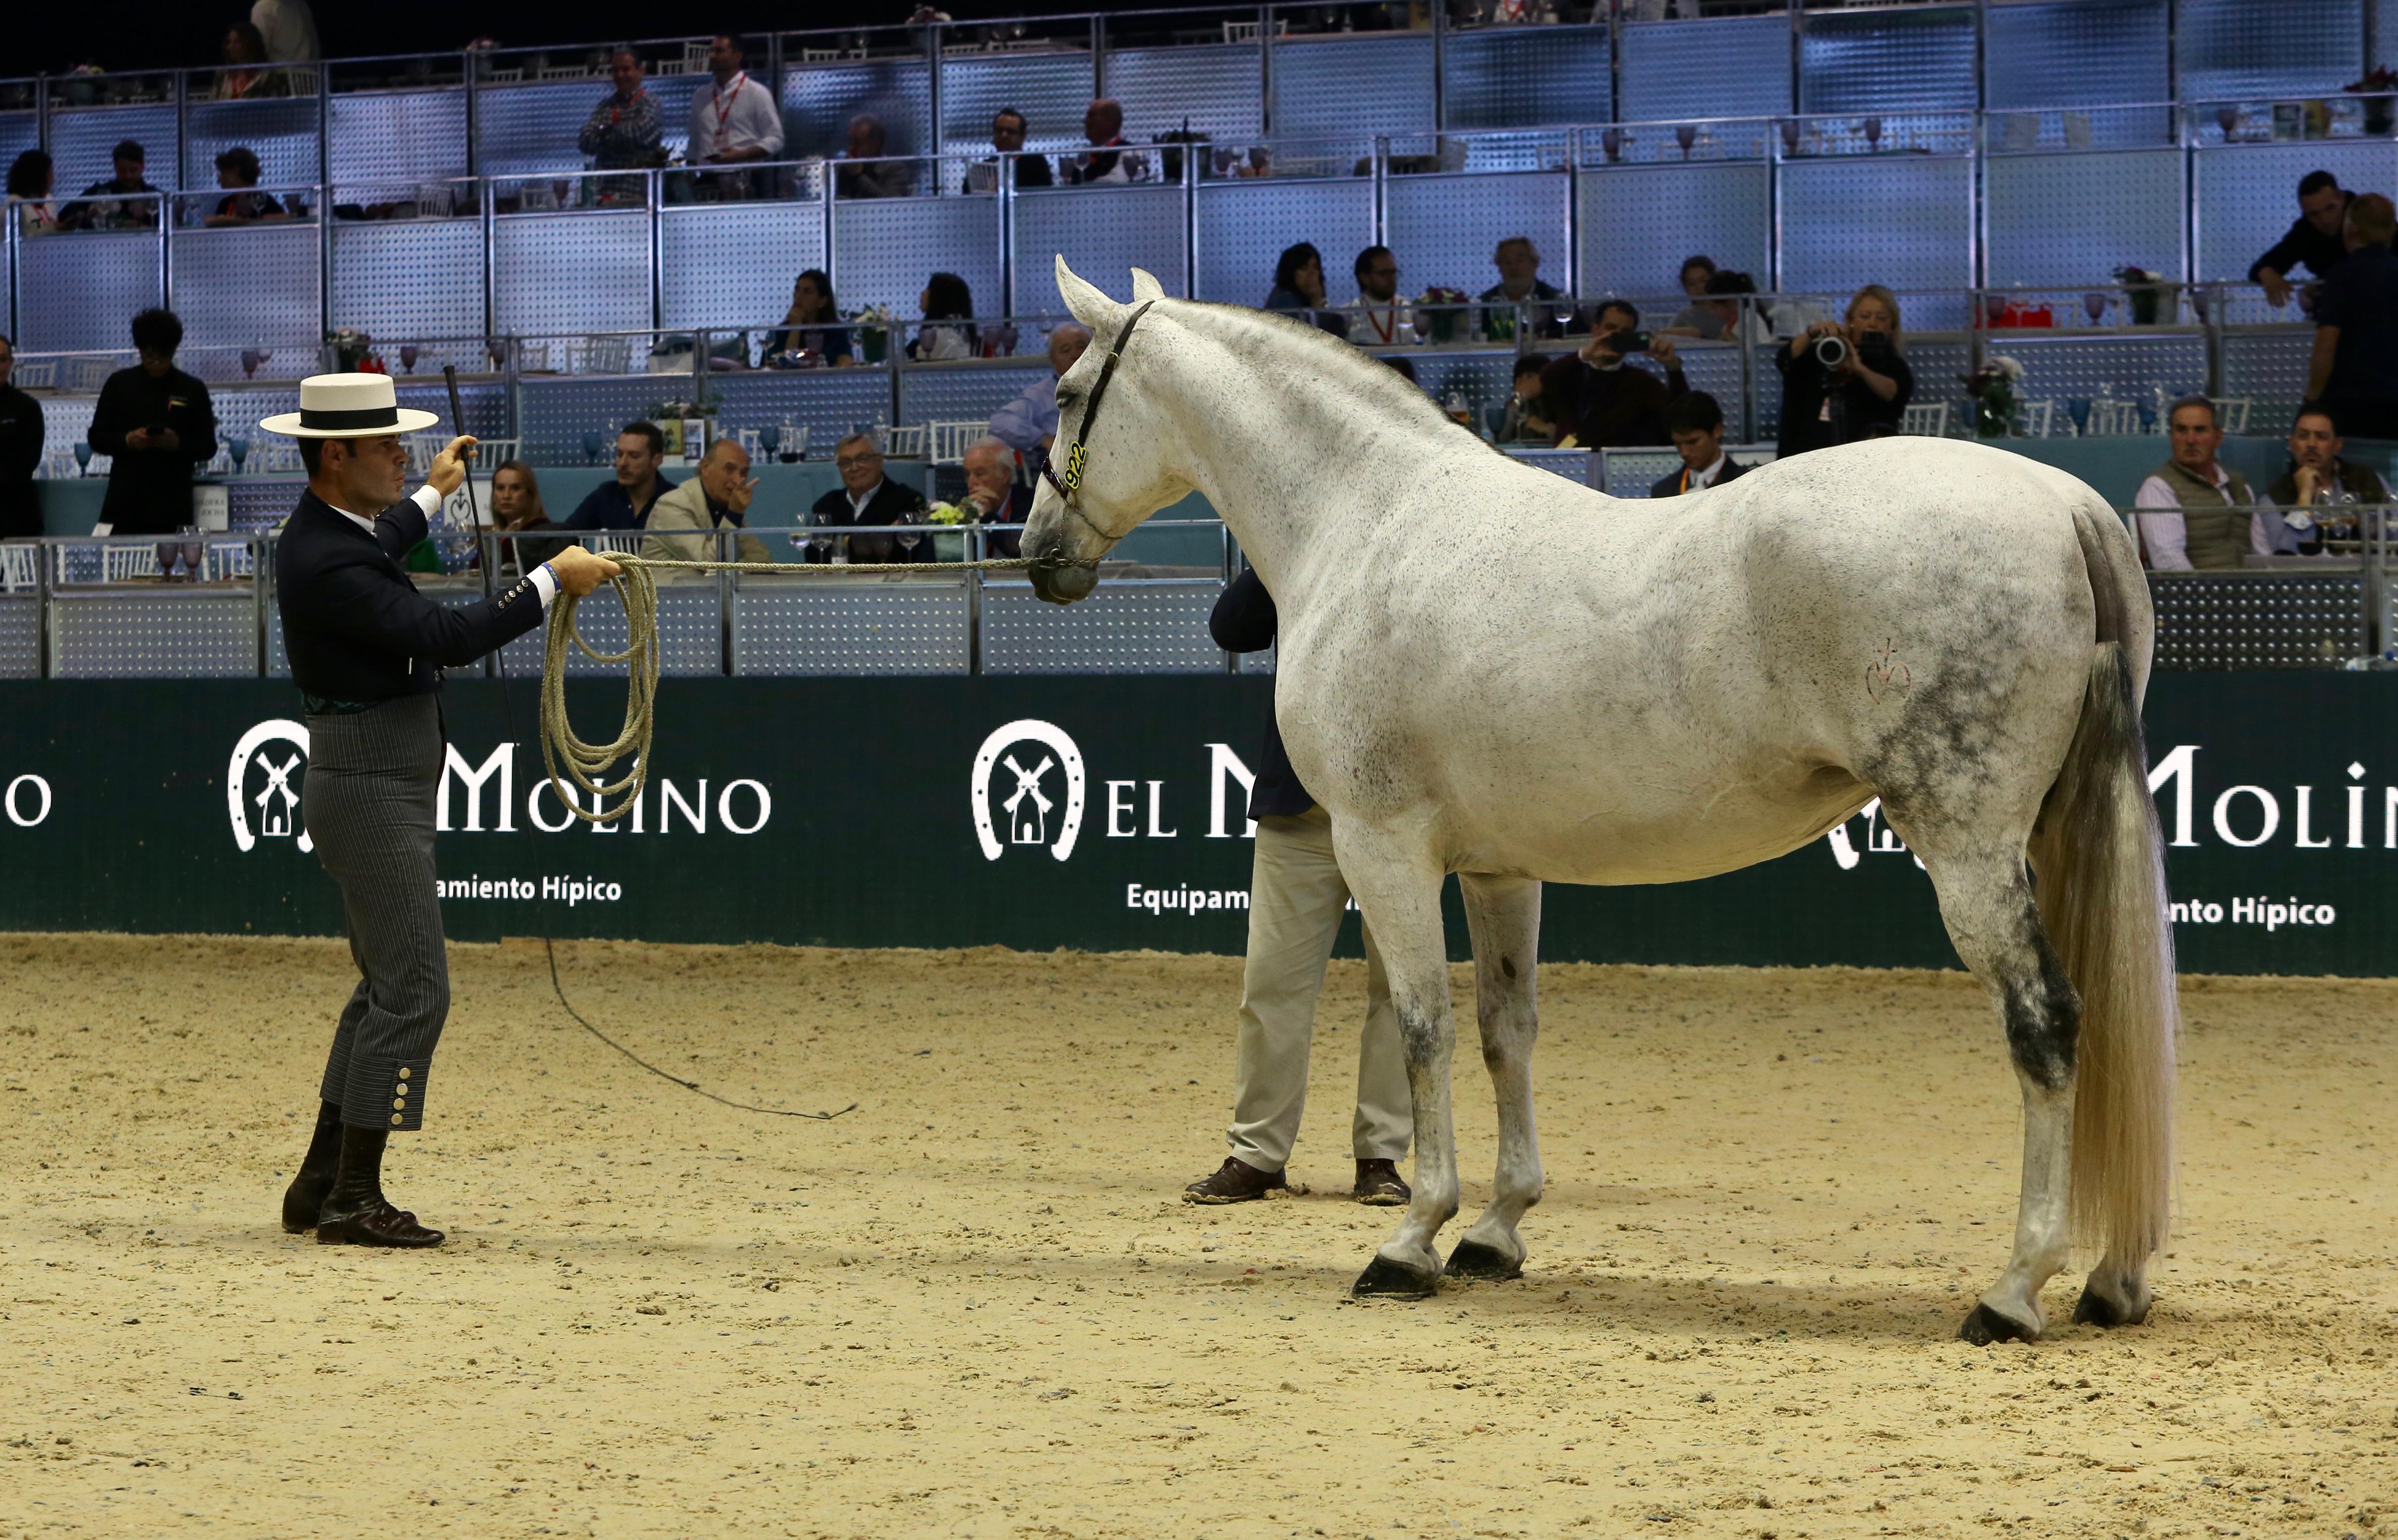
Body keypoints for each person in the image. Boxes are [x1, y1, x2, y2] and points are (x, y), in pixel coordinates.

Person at [261, 371, 618, 1249]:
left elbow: (380, 534)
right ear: (335, 455)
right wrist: (549, 581)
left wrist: (431, 491)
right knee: (416, 991)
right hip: (373, 783)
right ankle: (351, 1196)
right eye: (386, 444)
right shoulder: (327, 557)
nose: (399, 453)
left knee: (385, 985)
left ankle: (322, 1183)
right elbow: (447, 638)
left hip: (371, 775)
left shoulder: (327, 533)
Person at [1181, 564, 1411, 1208]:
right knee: (1271, 984)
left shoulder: (1417, 553)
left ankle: (1381, 1155)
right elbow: (1231, 626)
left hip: (1396, 809)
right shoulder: (1307, 550)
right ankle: (1257, 1154)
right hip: (1299, 801)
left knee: (1400, 987)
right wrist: (1280, 552)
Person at [88, 310, 217, 536]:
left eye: (163, 356)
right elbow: (97, 438)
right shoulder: (120, 385)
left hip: (174, 504)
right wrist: (128, 441)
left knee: (175, 570)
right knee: (123, 568)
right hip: (125, 503)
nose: (156, 363)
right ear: (139, 350)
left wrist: (177, 444)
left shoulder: (192, 389)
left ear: (175, 350)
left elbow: (208, 447)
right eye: (149, 356)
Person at [2132, 397, 2298, 570]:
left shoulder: (2238, 485)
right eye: (2182, 430)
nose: (2190, 440)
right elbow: (2170, 563)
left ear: (2217, 438)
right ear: (2172, 436)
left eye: (2200, 430)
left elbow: (2261, 553)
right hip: (2198, 593)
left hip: (2246, 591)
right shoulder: (2159, 487)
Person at [1773, 284, 1913, 458]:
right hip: (1807, 455)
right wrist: (1811, 333)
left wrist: (1859, 368)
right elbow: (1785, 360)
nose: (1872, 324)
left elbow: (1894, 393)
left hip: (1865, 460)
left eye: (1882, 318)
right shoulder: (1826, 352)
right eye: (1865, 316)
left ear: (1892, 327)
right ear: (1851, 320)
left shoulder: (1892, 365)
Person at [2304, 192, 2398, 441]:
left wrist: (2312, 399)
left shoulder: (2343, 276)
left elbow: (2327, 342)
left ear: (2352, 230)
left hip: (2350, 401)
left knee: (2350, 474)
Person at [1538, 299, 1687, 448]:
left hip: (1612, 463)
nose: (1616, 337)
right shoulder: (1571, 371)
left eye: (1625, 333)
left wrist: (1673, 367)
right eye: (1610, 328)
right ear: (1595, 330)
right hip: (1567, 459)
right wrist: (1586, 354)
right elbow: (1546, 377)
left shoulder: (1640, 382)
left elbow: (1680, 415)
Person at [640, 437, 769, 580]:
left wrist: (737, 569)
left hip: (707, 598)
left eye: (744, 473)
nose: (738, 480)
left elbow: (763, 559)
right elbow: (710, 565)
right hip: (663, 599)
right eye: (729, 469)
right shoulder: (671, 506)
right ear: (705, 467)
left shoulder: (726, 506)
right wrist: (734, 514)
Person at [807, 432, 930, 564]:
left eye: (862, 459)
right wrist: (878, 539)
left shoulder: (908, 500)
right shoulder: (826, 505)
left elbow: (901, 555)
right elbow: (815, 558)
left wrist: (842, 543)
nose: (854, 468)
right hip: (837, 584)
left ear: (880, 461)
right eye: (846, 463)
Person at [988, 321, 1091, 476]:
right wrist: (1043, 439)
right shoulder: (1040, 395)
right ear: (1054, 361)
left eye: (1081, 346)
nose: (1076, 354)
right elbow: (1001, 422)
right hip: (1064, 472)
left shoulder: (1117, 387)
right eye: (1065, 350)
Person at [2251, 170, 2353, 310]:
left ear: (2342, 199)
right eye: (2314, 214)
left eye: (2330, 208)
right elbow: (2266, 264)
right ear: (2304, 212)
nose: (2325, 220)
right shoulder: (2305, 232)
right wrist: (2265, 272)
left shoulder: (2368, 215)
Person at [688, 34, 783, 169]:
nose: (713, 56)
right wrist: (689, 169)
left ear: (737, 57)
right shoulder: (700, 95)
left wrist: (742, 155)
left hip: (745, 174)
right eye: (711, 51)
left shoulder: (757, 93)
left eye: (719, 51)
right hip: (708, 177)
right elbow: (694, 139)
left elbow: (776, 139)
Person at [2266, 405, 2389, 508]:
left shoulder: (2365, 479)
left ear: (2337, 445)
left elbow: (2392, 528)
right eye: (2303, 436)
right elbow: (2288, 538)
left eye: (2321, 437)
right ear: (2292, 444)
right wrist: (2305, 496)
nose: (2311, 444)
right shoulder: (2275, 496)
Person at [560, 422, 675, 531]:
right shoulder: (606, 495)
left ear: (657, 460)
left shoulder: (675, 501)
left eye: (634, 456)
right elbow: (566, 536)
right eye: (620, 454)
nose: (622, 463)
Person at [577, 47, 663, 182]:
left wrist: (603, 130)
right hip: (604, 192)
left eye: (626, 69)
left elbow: (637, 134)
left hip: (640, 192)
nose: (620, 75)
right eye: (616, 71)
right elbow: (585, 141)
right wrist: (621, 136)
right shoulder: (605, 105)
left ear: (640, 71)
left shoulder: (650, 103)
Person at [1651, 392, 1747, 496]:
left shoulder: (1747, 486)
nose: (1684, 453)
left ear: (1717, 431)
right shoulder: (1662, 492)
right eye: (1678, 443)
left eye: (1693, 442)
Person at [57, 140, 161, 232]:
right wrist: (85, 216)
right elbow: (64, 216)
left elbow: (170, 225)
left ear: (143, 167)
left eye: (133, 171)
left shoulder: (155, 197)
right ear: (115, 167)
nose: (128, 176)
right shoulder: (100, 193)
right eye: (122, 171)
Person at [1478, 234, 1567, 341]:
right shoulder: (1484, 302)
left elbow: (1574, 333)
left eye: (1520, 261)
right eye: (1507, 262)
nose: (1514, 267)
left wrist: (1541, 338)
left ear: (1535, 263)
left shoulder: (1555, 300)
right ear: (1499, 267)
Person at [490, 459, 571, 571]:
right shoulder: (491, 537)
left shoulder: (545, 535)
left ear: (530, 495)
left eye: (516, 488)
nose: (506, 495)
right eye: (500, 488)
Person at [0, 333, 43, 540]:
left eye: (3, 360)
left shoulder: (27, 408)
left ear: (11, 363)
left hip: (15, 513)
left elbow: (28, 461)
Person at [960, 434, 1028, 557]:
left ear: (1005, 474)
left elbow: (1021, 549)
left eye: (980, 474)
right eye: (967, 475)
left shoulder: (1032, 504)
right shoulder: (963, 506)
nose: (971, 482)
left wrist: (988, 518)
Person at [771, 269, 852, 364]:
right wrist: (795, 329)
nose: (798, 296)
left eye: (807, 292)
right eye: (797, 289)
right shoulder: (781, 332)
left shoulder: (836, 332)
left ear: (822, 301)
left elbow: (845, 365)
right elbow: (780, 367)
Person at [1062, 98, 1144, 185]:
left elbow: (1117, 181)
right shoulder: (1085, 155)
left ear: (1109, 121)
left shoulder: (1130, 153)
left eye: (1091, 116)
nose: (1085, 121)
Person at [968, 107, 1050, 192]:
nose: (1004, 135)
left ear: (1022, 136)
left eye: (1011, 132)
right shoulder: (981, 170)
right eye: (999, 131)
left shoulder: (1036, 164)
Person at [204, 147, 290, 226]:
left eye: (223, 172)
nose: (220, 179)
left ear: (236, 171)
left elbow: (281, 224)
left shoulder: (265, 203)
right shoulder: (225, 204)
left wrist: (235, 222)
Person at [835, 113, 914, 199]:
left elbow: (891, 206)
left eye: (858, 143)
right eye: (850, 143)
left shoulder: (895, 170)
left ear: (876, 144)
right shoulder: (846, 169)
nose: (852, 149)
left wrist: (859, 177)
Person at [1347, 245, 1412, 348]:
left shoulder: (1407, 309)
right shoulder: (1349, 313)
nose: (1391, 279)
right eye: (1384, 273)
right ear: (1364, 278)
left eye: (1393, 272)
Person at [213, 21, 287, 100]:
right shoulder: (222, 75)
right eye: (229, 42)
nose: (231, 47)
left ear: (249, 44)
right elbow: (212, 102)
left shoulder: (266, 77)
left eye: (237, 42)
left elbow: (274, 106)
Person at [911, 272, 976, 360]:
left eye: (929, 288)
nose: (923, 292)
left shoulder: (941, 339)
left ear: (941, 298)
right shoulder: (961, 335)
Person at [1493, 353, 1554, 444]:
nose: (1524, 382)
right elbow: (1501, 440)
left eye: (1530, 376)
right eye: (1520, 378)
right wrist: (1515, 405)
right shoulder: (1516, 405)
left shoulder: (1562, 402)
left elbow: (1572, 440)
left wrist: (1546, 428)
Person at [6, 149, 55, 237]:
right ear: (38, 178)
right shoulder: (14, 204)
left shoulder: (49, 200)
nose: (53, 181)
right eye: (49, 176)